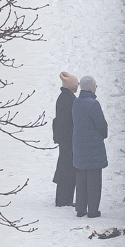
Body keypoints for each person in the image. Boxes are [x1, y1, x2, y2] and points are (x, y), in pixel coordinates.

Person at [71, 75, 108, 218]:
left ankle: (80, 209)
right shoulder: (93, 104)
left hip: (79, 146)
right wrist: (103, 134)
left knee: (81, 180)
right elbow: (101, 125)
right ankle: (92, 211)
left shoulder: (76, 103)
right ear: (92, 88)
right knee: (94, 181)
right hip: (93, 148)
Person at [52, 71, 78, 207]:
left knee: (64, 166)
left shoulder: (63, 97)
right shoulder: (69, 100)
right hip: (68, 139)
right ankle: (64, 199)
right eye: (76, 84)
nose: (77, 86)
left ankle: (63, 198)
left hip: (64, 138)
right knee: (67, 168)